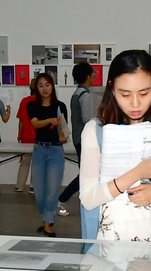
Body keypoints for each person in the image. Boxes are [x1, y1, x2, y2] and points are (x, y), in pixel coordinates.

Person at [79, 49, 151, 243]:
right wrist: (138, 172)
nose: (136, 104)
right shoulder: (94, 130)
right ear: (111, 88)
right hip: (113, 232)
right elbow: (88, 198)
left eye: (144, 93)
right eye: (125, 94)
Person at [28, 73, 68, 237]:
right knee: (38, 191)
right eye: (41, 85)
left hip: (55, 150)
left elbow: (64, 130)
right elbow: (35, 123)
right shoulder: (32, 106)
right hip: (39, 150)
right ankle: (45, 219)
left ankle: (47, 223)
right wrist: (50, 121)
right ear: (36, 88)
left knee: (52, 189)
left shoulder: (60, 106)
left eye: (47, 85)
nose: (44, 89)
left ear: (53, 86)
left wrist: (63, 136)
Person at [57, 62, 95, 216]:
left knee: (87, 174)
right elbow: (87, 119)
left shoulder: (76, 93)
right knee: (86, 175)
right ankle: (62, 199)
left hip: (80, 139)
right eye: (93, 74)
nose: (94, 77)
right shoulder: (84, 95)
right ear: (88, 76)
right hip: (85, 140)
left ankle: (65, 199)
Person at [14, 78, 37, 194]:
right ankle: (33, 186)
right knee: (36, 163)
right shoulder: (42, 101)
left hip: (26, 136)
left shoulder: (24, 101)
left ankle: (20, 185)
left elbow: (21, 120)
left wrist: (19, 134)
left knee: (24, 163)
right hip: (38, 137)